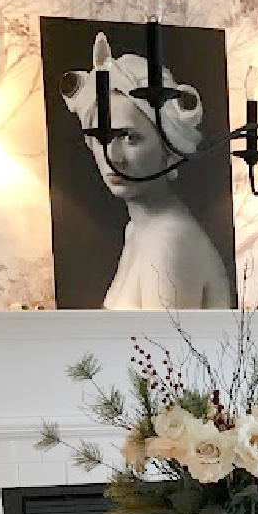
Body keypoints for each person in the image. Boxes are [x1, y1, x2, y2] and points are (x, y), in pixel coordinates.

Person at [61, 32, 232, 310]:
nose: (113, 157)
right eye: (103, 138)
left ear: (169, 145)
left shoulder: (168, 242)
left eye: (130, 137)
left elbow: (163, 353)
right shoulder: (139, 229)